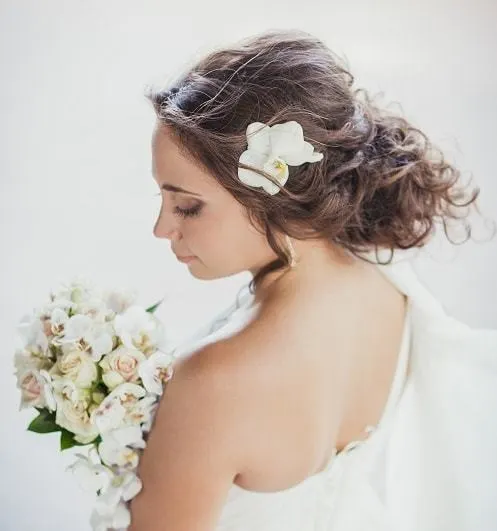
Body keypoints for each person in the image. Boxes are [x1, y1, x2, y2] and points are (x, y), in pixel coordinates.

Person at [128, 29, 497, 531]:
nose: (162, 228)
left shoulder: (214, 382)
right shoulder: (386, 289)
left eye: (187, 206)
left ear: (271, 189)